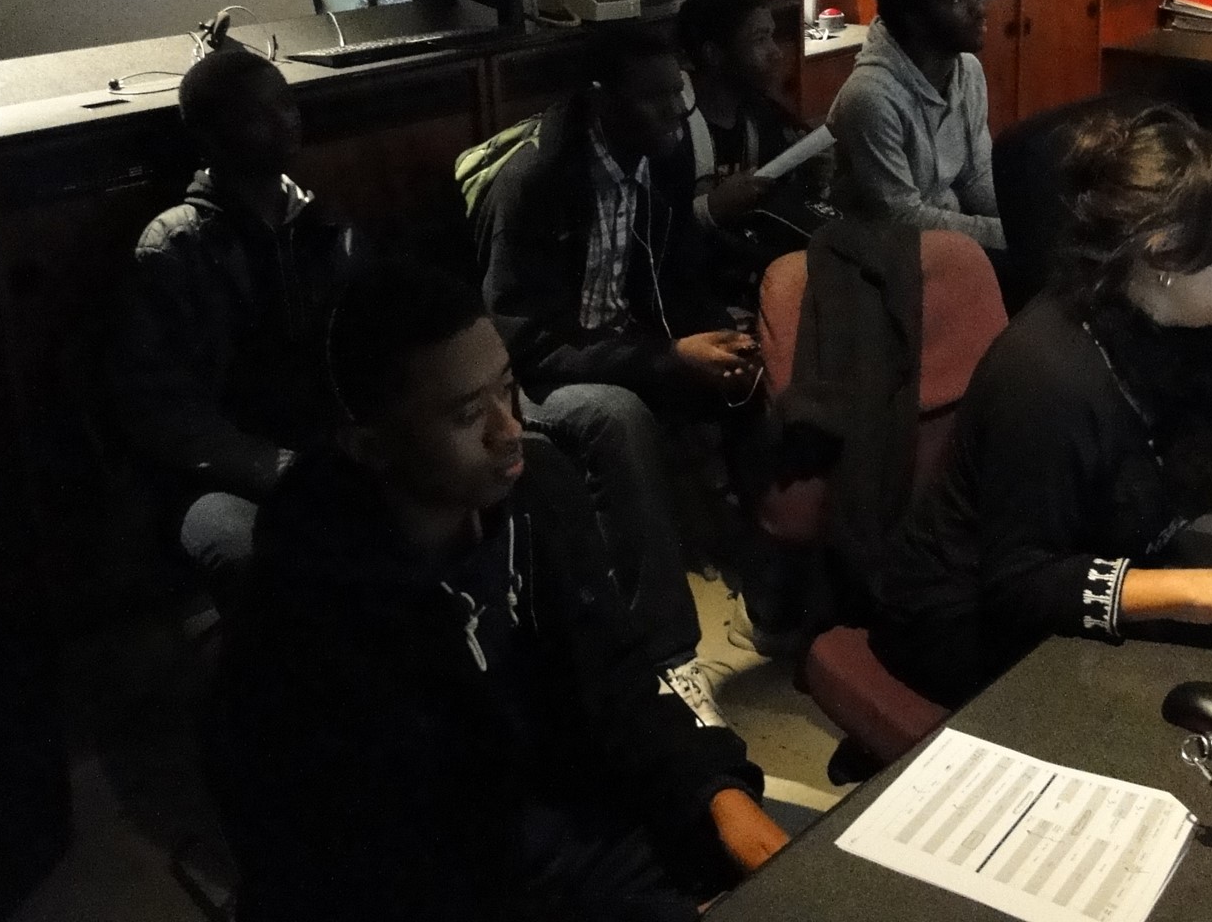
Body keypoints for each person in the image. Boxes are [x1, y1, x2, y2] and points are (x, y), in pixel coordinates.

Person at [213, 259, 786, 922]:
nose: (508, 427)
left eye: (506, 388)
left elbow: (617, 685)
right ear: (370, 447)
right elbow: (344, 869)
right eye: (465, 415)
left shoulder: (537, 490)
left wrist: (718, 795)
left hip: (587, 836)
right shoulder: (298, 619)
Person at [868, 106, 1212, 709]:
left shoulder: (1201, 320)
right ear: (1163, 254)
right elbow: (1021, 586)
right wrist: (1205, 591)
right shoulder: (1045, 374)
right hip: (967, 623)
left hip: (1111, 570)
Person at [110, 47, 359, 594]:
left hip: (313, 449)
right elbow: (161, 409)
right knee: (261, 558)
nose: (284, 121)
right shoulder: (178, 244)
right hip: (215, 474)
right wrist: (267, 465)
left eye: (286, 105)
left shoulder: (319, 221)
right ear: (211, 136)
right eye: (257, 114)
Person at [472, 21, 759, 412]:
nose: (676, 112)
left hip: (631, 348)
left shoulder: (661, 158)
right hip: (551, 369)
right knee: (617, 415)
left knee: (748, 377)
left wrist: (718, 333)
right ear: (599, 101)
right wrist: (668, 357)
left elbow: (681, 276)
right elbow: (526, 344)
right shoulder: (536, 183)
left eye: (678, 92)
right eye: (655, 97)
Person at [828, 0, 1003, 251]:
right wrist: (1006, 234)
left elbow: (976, 177)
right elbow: (899, 217)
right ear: (914, 19)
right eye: (957, 0)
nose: (979, 10)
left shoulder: (969, 71)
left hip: (945, 242)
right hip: (880, 256)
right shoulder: (871, 96)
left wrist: (1025, 222)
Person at [675, 0, 813, 231]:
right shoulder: (671, 123)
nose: (776, 53)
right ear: (713, 54)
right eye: (760, 40)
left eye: (772, 36)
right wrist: (711, 207)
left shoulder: (765, 115)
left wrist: (808, 176)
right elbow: (650, 226)